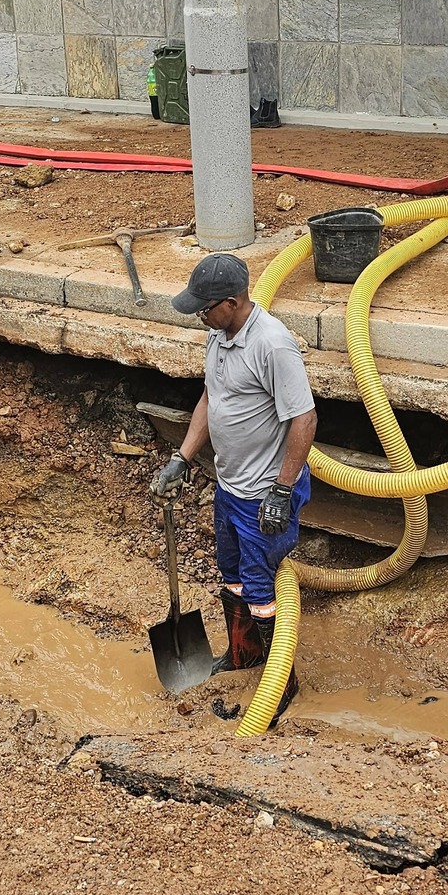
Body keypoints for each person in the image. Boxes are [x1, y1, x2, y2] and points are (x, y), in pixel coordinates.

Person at [151, 253, 317, 675]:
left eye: (205, 309)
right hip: (230, 486)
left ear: (232, 301)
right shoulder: (219, 334)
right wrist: (181, 457)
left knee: (262, 589)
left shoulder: (272, 345)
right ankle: (245, 656)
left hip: (264, 492)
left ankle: (281, 685)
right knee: (233, 574)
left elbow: (304, 418)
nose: (200, 317)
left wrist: (281, 491)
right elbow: (212, 398)